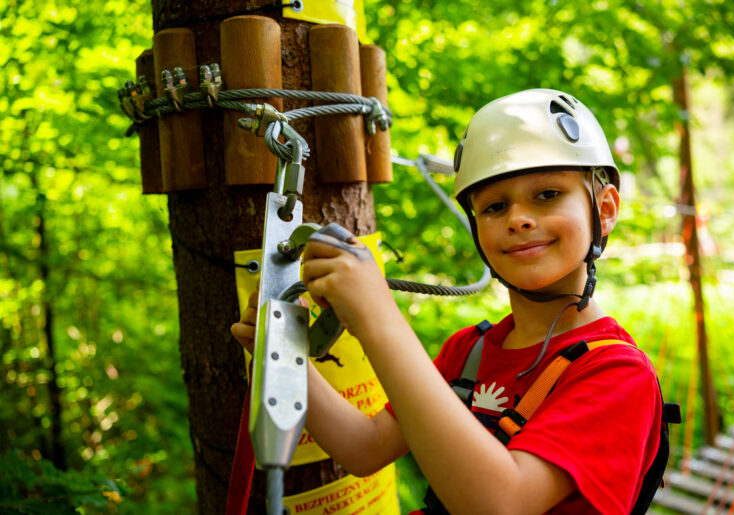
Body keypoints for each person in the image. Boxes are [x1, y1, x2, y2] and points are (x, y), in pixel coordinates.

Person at [232, 89, 664, 514]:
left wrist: (378, 316)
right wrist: (281, 352)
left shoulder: (617, 374)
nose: (518, 219)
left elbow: (502, 503)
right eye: (494, 207)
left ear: (604, 210)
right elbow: (364, 449)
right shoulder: (470, 351)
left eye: (547, 194)